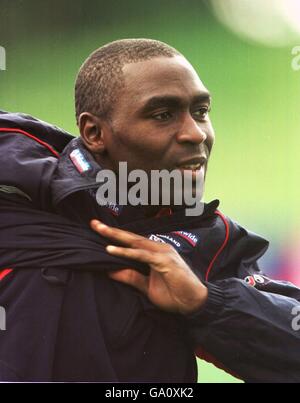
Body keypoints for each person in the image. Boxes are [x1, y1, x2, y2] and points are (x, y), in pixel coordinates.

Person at [0, 38, 299, 383]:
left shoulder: (210, 245)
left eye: (201, 112)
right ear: (94, 133)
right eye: (163, 115)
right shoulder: (21, 185)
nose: (195, 133)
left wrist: (206, 303)